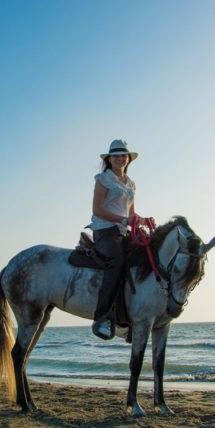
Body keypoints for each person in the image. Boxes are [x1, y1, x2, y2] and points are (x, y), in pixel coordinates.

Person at [89, 139, 138, 339]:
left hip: (122, 230)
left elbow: (131, 213)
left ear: (128, 159)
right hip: (105, 230)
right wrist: (123, 219)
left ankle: (129, 317)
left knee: (142, 259)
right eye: (116, 155)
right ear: (109, 159)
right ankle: (101, 317)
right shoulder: (103, 179)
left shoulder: (131, 183)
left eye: (123, 155)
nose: (120, 158)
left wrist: (140, 220)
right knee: (117, 262)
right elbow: (97, 209)